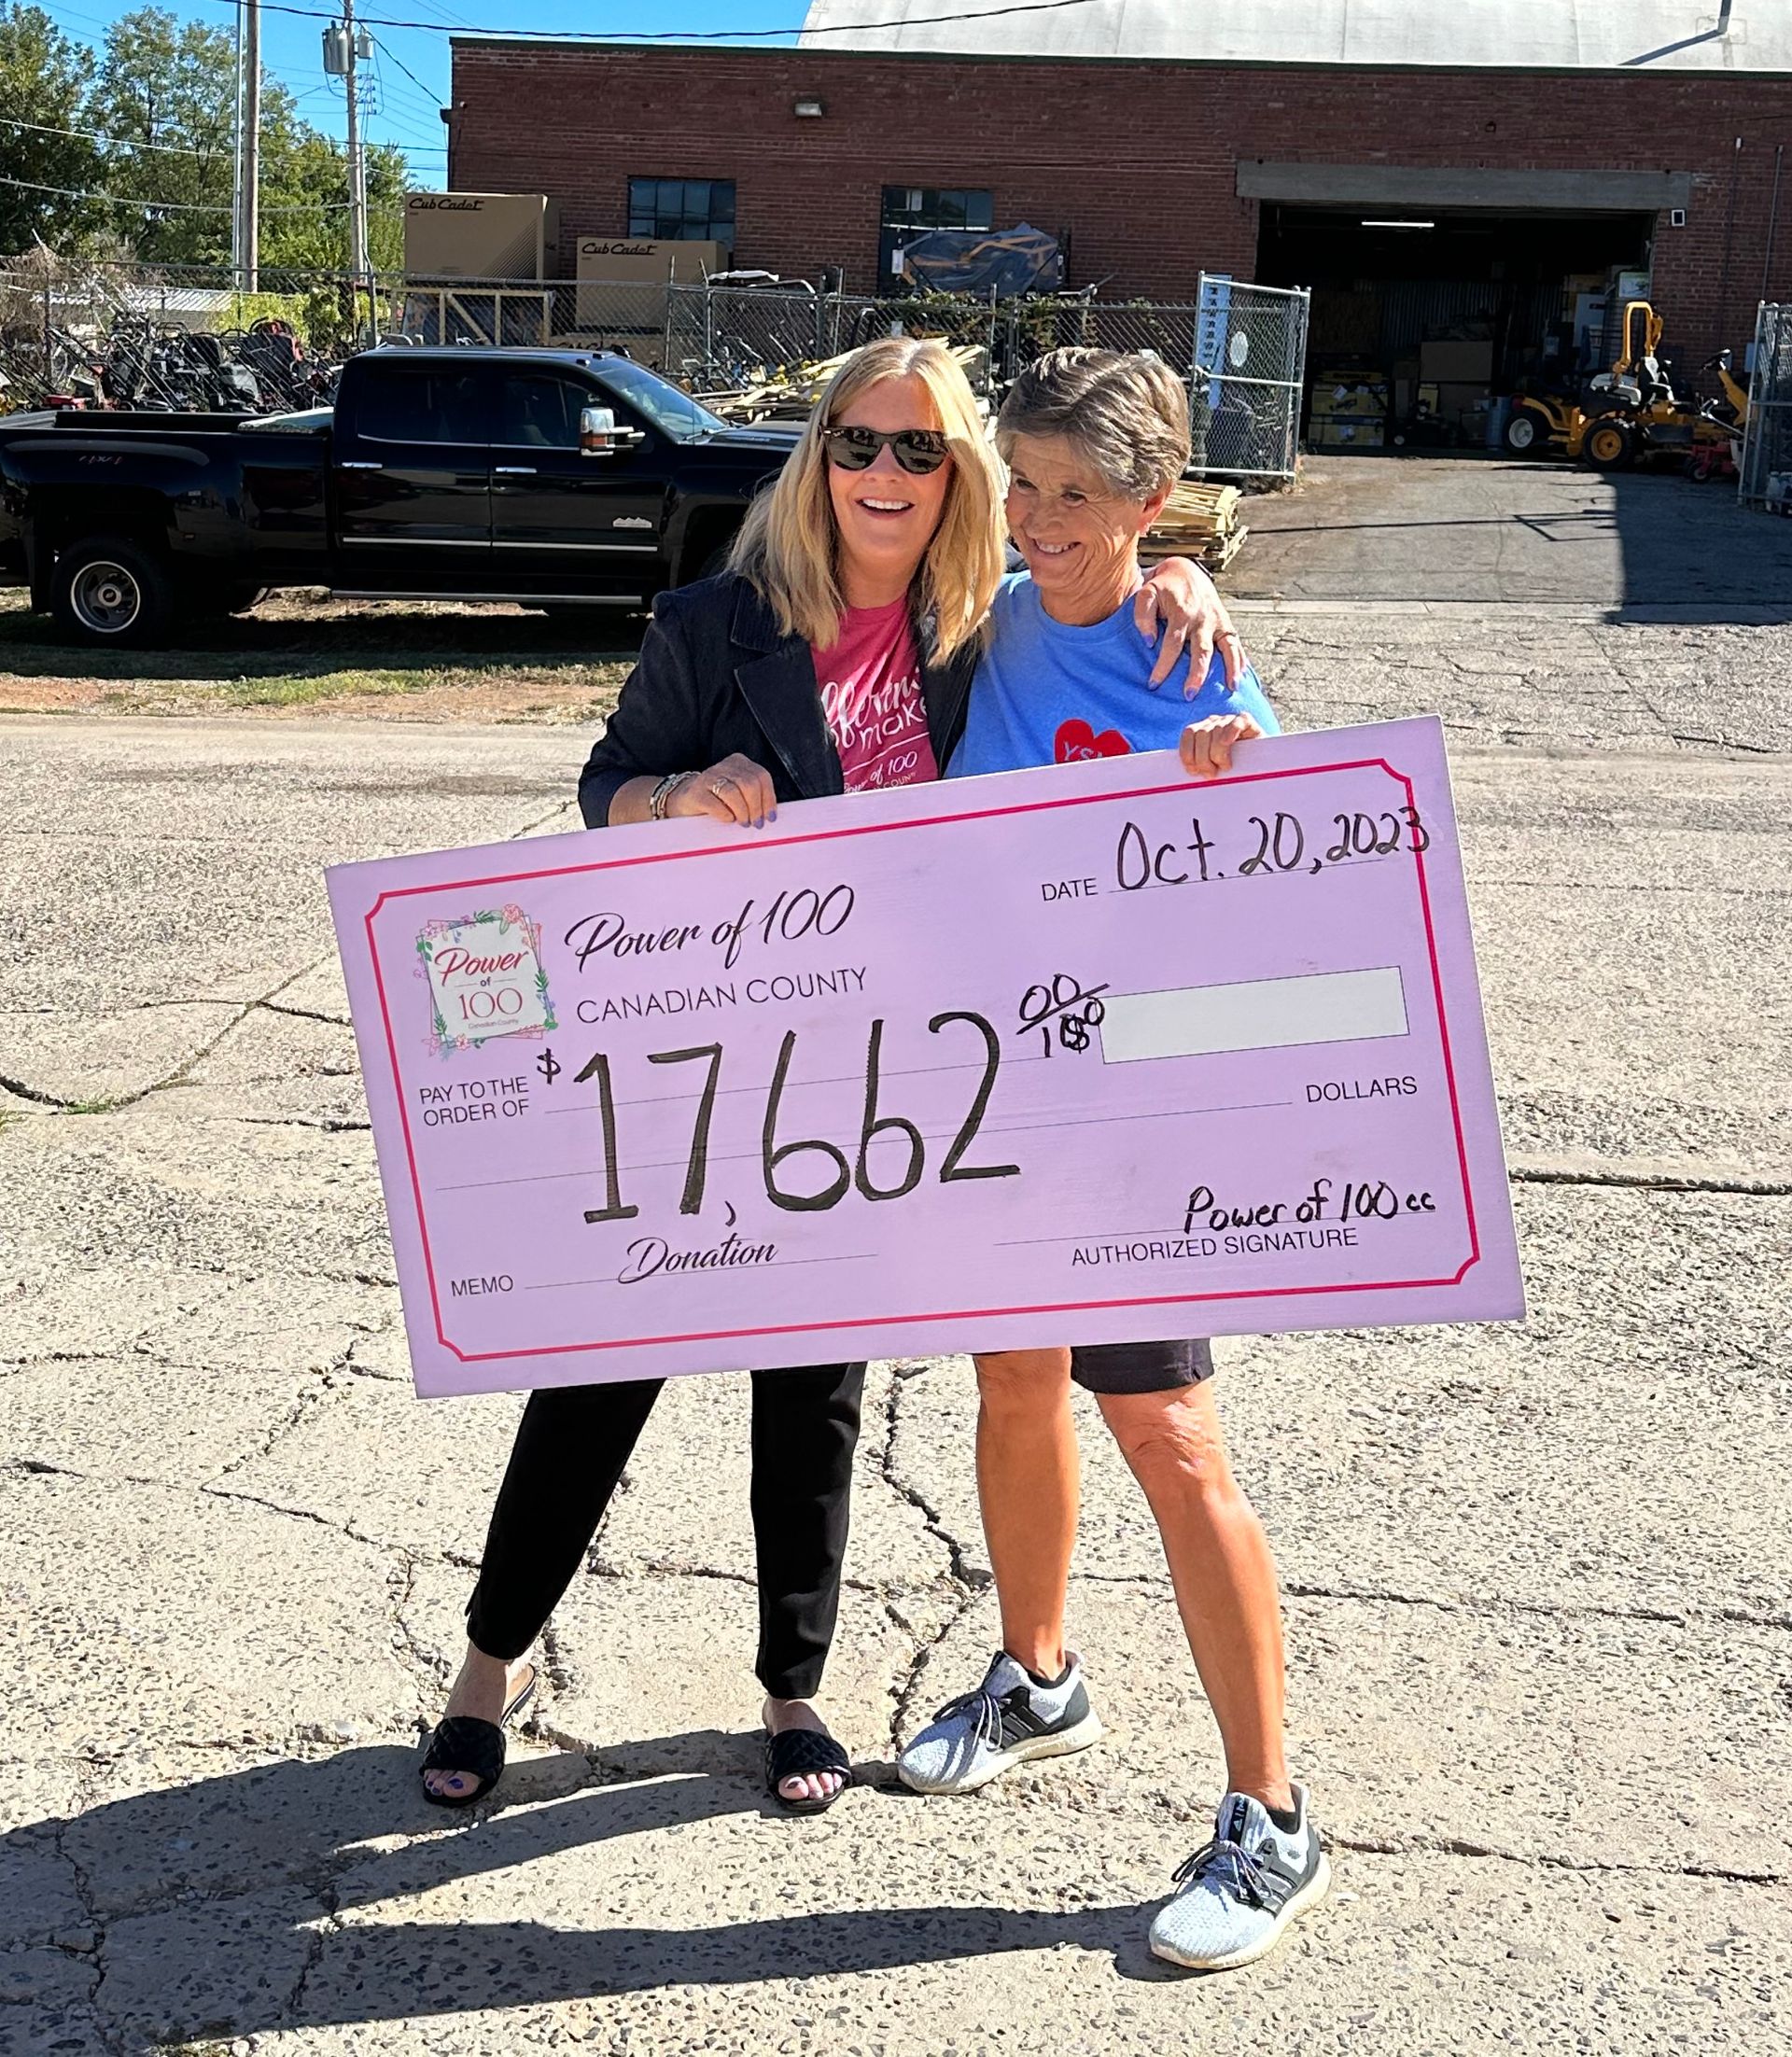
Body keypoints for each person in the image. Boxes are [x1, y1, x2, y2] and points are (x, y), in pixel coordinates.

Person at [417, 336, 1236, 1815]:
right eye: (857, 442)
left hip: (880, 1077)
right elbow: (604, 789)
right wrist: (673, 797)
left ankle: (792, 1690)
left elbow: (1096, 616)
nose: (882, 473)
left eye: (919, 451)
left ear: (957, 477)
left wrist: (1176, 575)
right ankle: (490, 1667)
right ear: (818, 456)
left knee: (816, 1393)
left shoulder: (973, 629)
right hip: (697, 1065)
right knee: (599, 1372)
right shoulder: (716, 620)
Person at [896, 347, 1329, 1976]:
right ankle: (1040, 1677)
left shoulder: (1195, 661)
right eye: (1023, 484)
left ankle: (1273, 1819)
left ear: (1156, 504)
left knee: (1168, 1434)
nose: (1039, 518)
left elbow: (1303, 892)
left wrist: (1239, 773)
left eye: (1080, 494)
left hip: (1138, 1109)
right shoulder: (992, 623)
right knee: (1015, 1388)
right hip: (997, 1095)